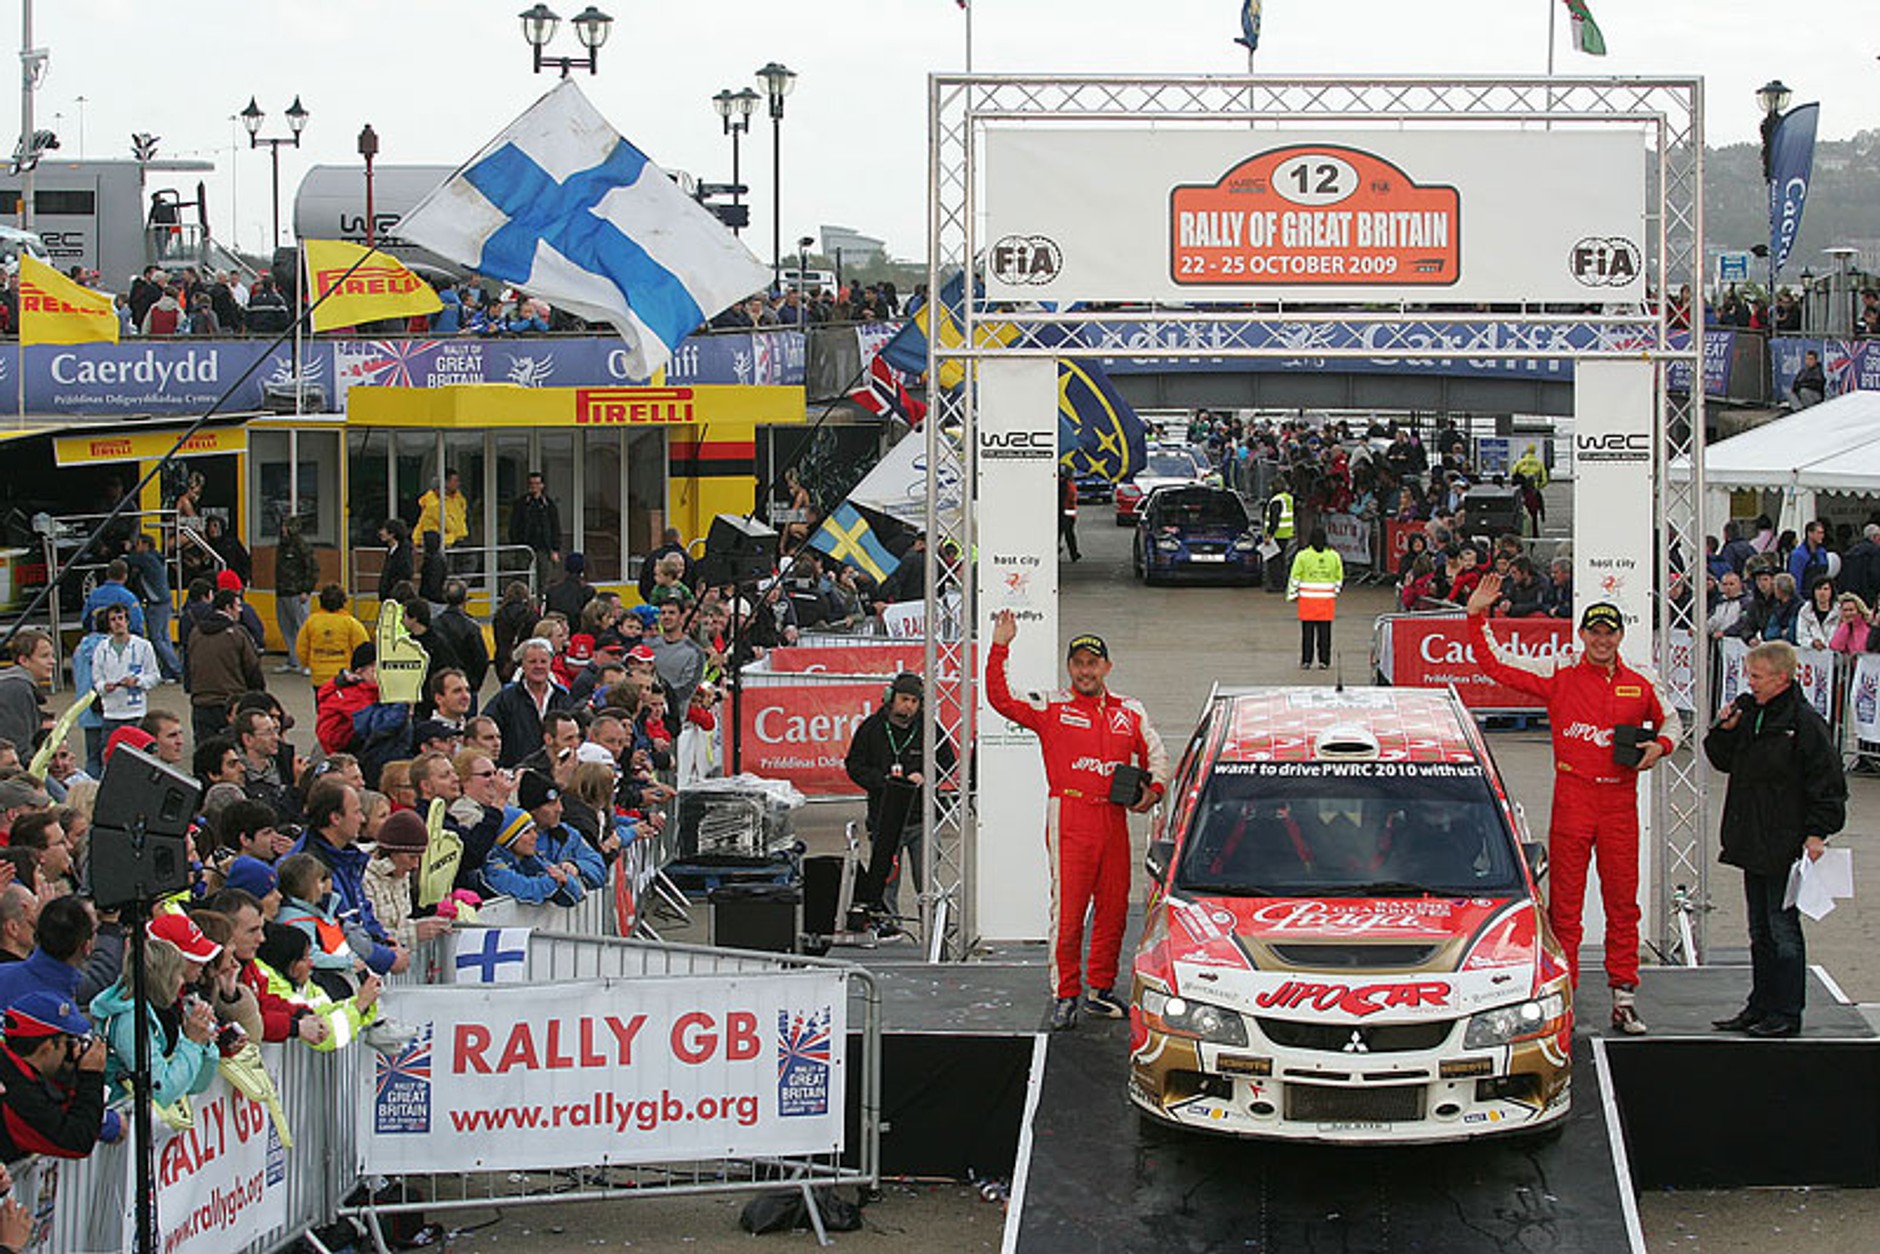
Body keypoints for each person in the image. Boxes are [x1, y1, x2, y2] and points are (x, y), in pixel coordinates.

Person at [1466, 580, 1681, 1034]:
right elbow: (1496, 665)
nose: (1602, 640)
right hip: (1573, 798)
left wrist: (1660, 747)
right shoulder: (1559, 671)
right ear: (1581, 635)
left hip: (1619, 802)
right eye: (1594, 632)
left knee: (1623, 904)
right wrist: (1476, 617)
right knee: (1565, 906)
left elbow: (1672, 721)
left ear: (1620, 635)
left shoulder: (1641, 678)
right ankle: (1564, 998)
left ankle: (1624, 997)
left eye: (1610, 632)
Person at [984, 611, 1169, 1031]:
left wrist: (1153, 791)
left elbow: (1157, 754)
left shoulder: (1130, 710)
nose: (1086, 671)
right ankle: (1065, 994)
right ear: (1069, 667)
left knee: (1114, 910)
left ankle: (1100, 990)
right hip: (1069, 816)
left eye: (1093, 663)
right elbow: (1000, 698)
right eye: (1079, 663)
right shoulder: (1051, 705)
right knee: (1068, 914)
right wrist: (1000, 646)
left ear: (1107, 667)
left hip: (1113, 819)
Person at [1705, 641, 1847, 1037]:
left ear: (1782, 678)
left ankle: (1786, 1012)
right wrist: (1723, 730)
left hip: (1786, 841)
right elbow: (1722, 759)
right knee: (1759, 930)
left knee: (1782, 929)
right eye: (1749, 675)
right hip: (1751, 837)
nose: (1750, 683)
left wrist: (1817, 832)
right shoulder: (1751, 713)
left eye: (1757, 676)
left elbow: (1828, 783)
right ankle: (1760, 1005)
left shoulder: (1804, 722)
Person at [844, 672, 957, 928]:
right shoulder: (872, 727)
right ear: (890, 698)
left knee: (927, 883)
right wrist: (883, 781)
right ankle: (889, 930)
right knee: (885, 885)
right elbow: (854, 765)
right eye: (904, 699)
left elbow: (947, 762)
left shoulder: (929, 727)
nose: (909, 706)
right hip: (885, 820)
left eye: (914, 701)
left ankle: (932, 933)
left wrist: (927, 775)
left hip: (921, 820)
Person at [0, 991, 115, 1162]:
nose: (73, 1050)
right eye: (69, 1043)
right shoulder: (16, 1091)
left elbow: (61, 1106)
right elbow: (77, 1140)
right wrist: (91, 1077)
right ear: (47, 1047)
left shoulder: (16, 1070)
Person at [186, 588, 265, 742]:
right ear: (228, 608)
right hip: (232, 702)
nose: (240, 610)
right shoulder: (238, 634)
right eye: (238, 606)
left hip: (201, 701)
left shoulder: (195, 633)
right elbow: (252, 668)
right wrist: (257, 696)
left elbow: (189, 664)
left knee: (206, 749)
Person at [88, 605, 161, 745]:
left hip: (136, 713)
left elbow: (154, 676)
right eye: (113, 619)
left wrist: (137, 681)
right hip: (111, 713)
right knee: (110, 753)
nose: (118, 622)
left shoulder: (143, 646)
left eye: (120, 618)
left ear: (127, 621)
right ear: (109, 624)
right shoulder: (101, 649)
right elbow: (97, 679)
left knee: (137, 753)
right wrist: (104, 687)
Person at [126, 531, 183, 681]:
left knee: (156, 638)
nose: (136, 546)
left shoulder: (146, 558)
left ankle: (176, 669)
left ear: (145, 545)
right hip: (165, 601)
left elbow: (129, 559)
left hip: (156, 602)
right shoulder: (156, 557)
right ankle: (170, 670)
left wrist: (127, 550)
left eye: (138, 543)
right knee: (164, 637)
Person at [1286, 525, 1344, 670]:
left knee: (1308, 633)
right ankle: (1324, 661)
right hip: (1326, 601)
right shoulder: (1333, 556)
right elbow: (1339, 577)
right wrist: (1335, 591)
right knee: (1325, 633)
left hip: (1307, 601)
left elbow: (1295, 576)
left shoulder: (1303, 556)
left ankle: (1307, 660)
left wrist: (1292, 595)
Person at [298, 584, 371, 689]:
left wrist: (308, 664)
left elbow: (301, 648)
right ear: (343, 602)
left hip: (319, 676)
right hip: (344, 677)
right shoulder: (351, 623)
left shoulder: (311, 622)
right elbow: (363, 650)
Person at [0, 630, 55, 755]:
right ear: (24, 660)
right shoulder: (17, 690)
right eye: (44, 656)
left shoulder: (15, 685)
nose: (53, 661)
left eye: (52, 655)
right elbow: (17, 746)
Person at [509, 472, 563, 587]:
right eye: (532, 484)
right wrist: (516, 543)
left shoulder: (548, 505)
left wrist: (555, 549)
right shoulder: (521, 504)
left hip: (543, 547)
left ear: (542, 486)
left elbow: (555, 527)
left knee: (543, 577)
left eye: (537, 483)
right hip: (525, 546)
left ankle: (541, 598)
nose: (534, 486)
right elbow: (514, 525)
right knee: (522, 577)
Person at [415, 470, 470, 551]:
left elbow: (461, 517)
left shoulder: (457, 498)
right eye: (455, 481)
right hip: (440, 542)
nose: (458, 484)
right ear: (446, 483)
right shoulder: (433, 502)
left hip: (454, 540)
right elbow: (447, 523)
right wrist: (457, 534)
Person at [1263, 478, 1295, 593]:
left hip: (1276, 534)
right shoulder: (1288, 498)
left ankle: (1276, 584)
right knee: (1281, 560)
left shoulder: (1276, 500)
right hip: (1286, 533)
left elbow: (1274, 519)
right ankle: (1282, 583)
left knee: (1273, 560)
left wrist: (1269, 534)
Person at [1058, 467, 1081, 563]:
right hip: (1066, 512)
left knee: (1061, 534)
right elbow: (1071, 499)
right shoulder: (1068, 484)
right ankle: (1073, 553)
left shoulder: (1064, 484)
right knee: (1068, 534)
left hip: (1064, 512)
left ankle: (1070, 553)